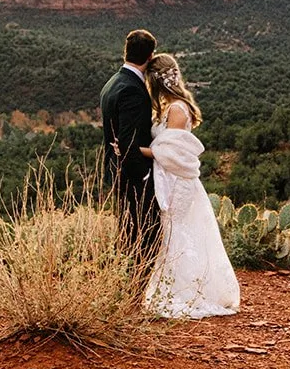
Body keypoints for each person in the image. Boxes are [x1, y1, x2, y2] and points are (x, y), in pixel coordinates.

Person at [143, 52, 240, 319]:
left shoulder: (175, 109)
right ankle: (179, 289)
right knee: (176, 232)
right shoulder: (175, 106)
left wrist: (140, 151)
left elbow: (173, 154)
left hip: (177, 181)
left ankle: (186, 293)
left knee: (177, 233)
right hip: (172, 179)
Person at [100, 29, 159, 263]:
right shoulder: (134, 89)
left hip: (116, 170)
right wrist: (144, 175)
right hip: (132, 175)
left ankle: (127, 279)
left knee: (128, 230)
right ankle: (137, 287)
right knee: (142, 235)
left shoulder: (112, 82)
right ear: (150, 56)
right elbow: (128, 142)